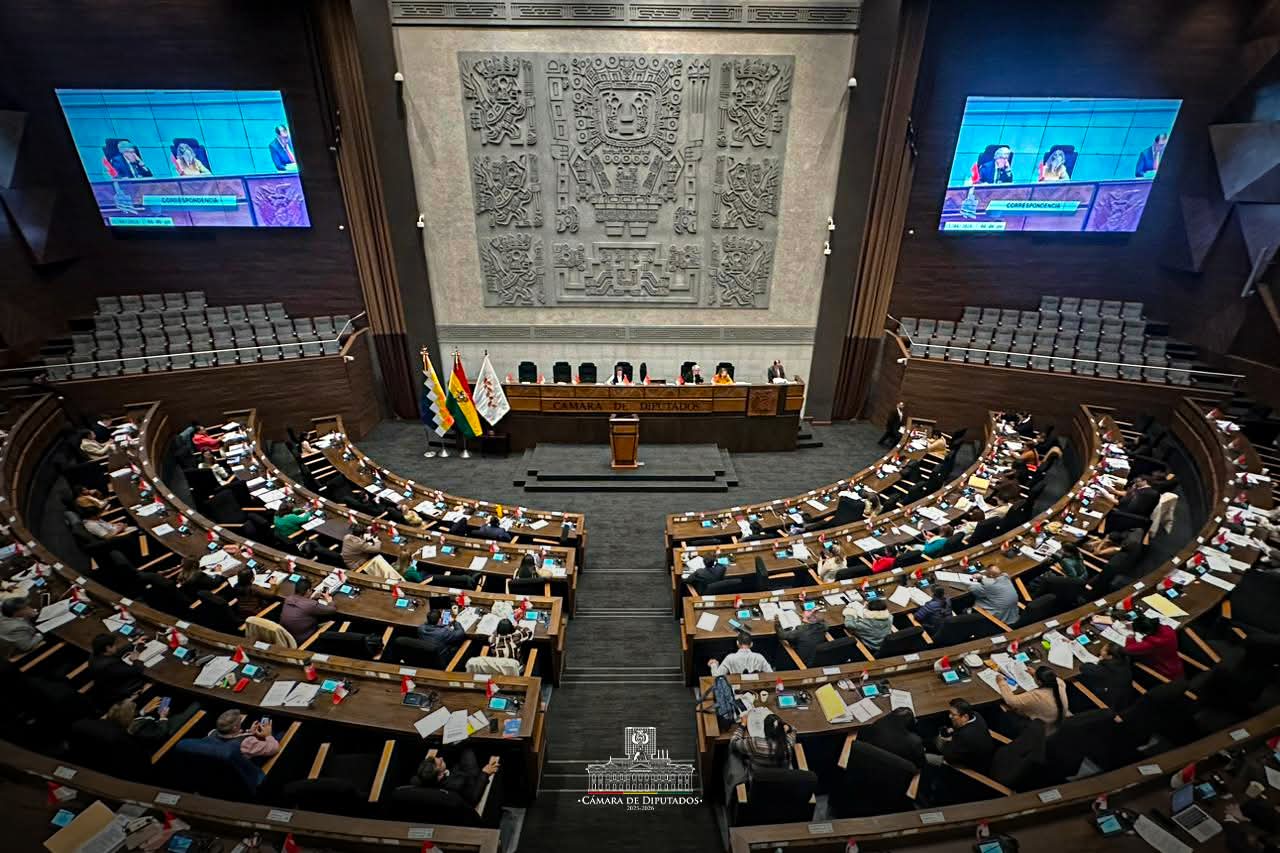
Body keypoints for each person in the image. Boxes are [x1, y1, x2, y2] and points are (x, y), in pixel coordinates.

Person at [726, 711, 794, 800]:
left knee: (733, 752)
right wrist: (787, 727)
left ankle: (728, 794)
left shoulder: (755, 744)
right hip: (778, 787)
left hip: (755, 785)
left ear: (765, 730)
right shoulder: (788, 744)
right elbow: (793, 729)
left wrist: (742, 725)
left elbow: (733, 743)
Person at [411, 749, 500, 807]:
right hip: (470, 780)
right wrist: (485, 773)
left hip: (454, 774)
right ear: (440, 775)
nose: (441, 758)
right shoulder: (458, 784)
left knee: (465, 752)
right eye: (441, 762)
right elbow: (473, 798)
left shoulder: (417, 779)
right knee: (468, 752)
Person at [997, 665, 1070, 732]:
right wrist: (1035, 673)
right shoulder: (1059, 683)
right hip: (1059, 720)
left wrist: (1001, 682)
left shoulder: (1037, 696)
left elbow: (1010, 701)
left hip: (1044, 729)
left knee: (1002, 707)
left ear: (1039, 681)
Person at [931, 699, 996, 772]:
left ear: (965, 717)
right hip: (979, 754)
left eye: (953, 714)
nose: (950, 716)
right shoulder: (977, 715)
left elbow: (949, 757)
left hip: (973, 767)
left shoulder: (964, 737)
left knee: (928, 757)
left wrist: (944, 740)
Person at [88, 632, 147, 706]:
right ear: (108, 648)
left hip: (104, 686)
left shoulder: (94, 655)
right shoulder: (111, 666)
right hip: (118, 691)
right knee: (146, 677)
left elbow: (115, 654)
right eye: (114, 645)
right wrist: (136, 660)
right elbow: (137, 670)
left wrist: (133, 644)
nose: (116, 646)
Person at [1123, 615, 1184, 680]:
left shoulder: (1151, 644)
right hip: (1177, 666)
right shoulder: (1167, 629)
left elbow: (1128, 650)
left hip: (1164, 674)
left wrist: (1131, 634)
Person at [861, 706, 926, 768]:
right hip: (902, 769)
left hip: (874, 763)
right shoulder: (914, 741)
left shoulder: (877, 724)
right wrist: (921, 750)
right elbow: (921, 764)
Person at [1079, 642, 1135, 710]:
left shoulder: (1107, 668)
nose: (1101, 649)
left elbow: (1083, 667)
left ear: (1110, 656)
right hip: (1125, 696)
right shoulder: (1125, 661)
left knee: (1081, 678)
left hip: (1111, 701)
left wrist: (1100, 661)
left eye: (1104, 649)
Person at [279, 576, 336, 642]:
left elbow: (301, 604)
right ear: (308, 590)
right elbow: (332, 610)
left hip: (285, 636)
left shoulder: (289, 598)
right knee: (334, 620)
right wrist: (329, 600)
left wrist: (311, 598)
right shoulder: (311, 605)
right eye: (311, 590)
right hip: (303, 638)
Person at [210, 708, 280, 760]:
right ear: (234, 728)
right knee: (281, 733)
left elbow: (234, 736)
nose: (241, 720)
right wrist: (268, 735)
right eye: (240, 720)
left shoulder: (212, 733)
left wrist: (250, 732)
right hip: (251, 765)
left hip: (229, 759)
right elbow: (274, 749)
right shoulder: (247, 743)